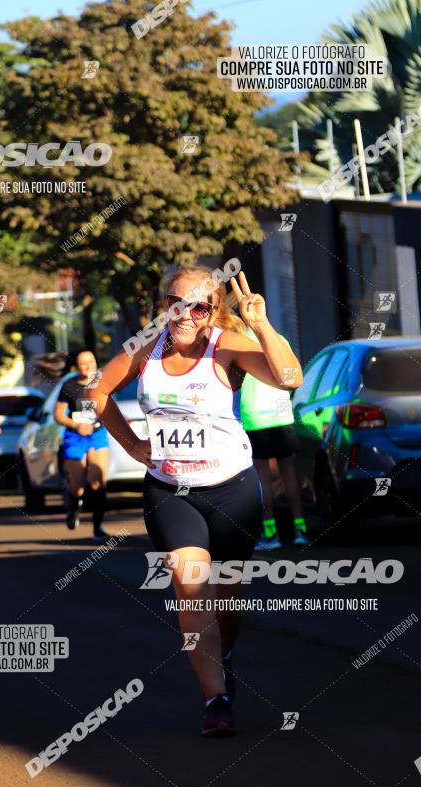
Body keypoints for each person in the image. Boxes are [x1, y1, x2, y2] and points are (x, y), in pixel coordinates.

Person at [86, 265, 302, 736]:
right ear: (164, 303)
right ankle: (215, 698)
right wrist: (130, 445)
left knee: (227, 597)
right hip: (169, 488)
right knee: (188, 579)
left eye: (198, 306)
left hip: (231, 488)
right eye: (175, 303)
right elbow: (97, 390)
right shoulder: (145, 346)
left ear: (212, 313)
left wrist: (261, 325)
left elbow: (289, 378)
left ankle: (222, 658)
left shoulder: (226, 346)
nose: (184, 314)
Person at [239, 327, 309, 549]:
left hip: (255, 416)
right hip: (281, 414)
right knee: (289, 473)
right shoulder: (279, 338)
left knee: (262, 477)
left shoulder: (238, 341)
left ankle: (270, 534)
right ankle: (301, 529)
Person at [54, 350, 110, 541]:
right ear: (76, 366)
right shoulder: (69, 386)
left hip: (97, 435)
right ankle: (73, 507)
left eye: (91, 361)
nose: (88, 366)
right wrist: (76, 425)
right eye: (83, 363)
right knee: (78, 485)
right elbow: (59, 415)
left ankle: (98, 528)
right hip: (75, 437)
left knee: (98, 481)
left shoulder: (102, 382)